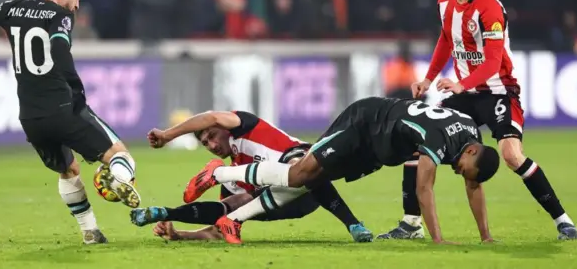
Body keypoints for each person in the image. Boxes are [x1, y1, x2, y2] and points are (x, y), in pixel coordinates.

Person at [380, 0, 577, 241]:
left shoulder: (489, 8)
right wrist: (429, 78)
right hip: (465, 97)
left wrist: (460, 83)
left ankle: (563, 221)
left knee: (512, 155)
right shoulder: (445, 4)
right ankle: (411, 224)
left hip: (499, 92)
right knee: (418, 138)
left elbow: (493, 62)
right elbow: (446, 41)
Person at [0, 0, 140, 245]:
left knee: (68, 170)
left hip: (31, 117)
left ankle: (90, 232)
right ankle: (118, 179)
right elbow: (58, 48)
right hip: (64, 108)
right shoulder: (59, 16)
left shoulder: (13, 8)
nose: (76, 6)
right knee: (122, 156)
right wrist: (75, 85)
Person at [175, 97, 501, 244]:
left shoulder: (470, 133)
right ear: (471, 150)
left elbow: (475, 183)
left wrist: (486, 237)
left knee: (314, 179)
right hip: (363, 122)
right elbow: (424, 189)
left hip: (378, 144)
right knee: (300, 175)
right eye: (462, 168)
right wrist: (439, 240)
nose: (459, 172)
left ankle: (232, 218)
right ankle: (219, 174)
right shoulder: (441, 139)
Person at [140, 110, 373, 243]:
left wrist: (168, 135)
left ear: (224, 128)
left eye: (213, 135)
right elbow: (216, 231)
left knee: (302, 169)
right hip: (287, 203)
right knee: (231, 208)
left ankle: (353, 225)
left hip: (302, 164)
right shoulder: (236, 180)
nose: (212, 144)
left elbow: (210, 117)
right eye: (205, 143)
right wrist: (180, 234)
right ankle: (166, 211)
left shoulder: (244, 126)